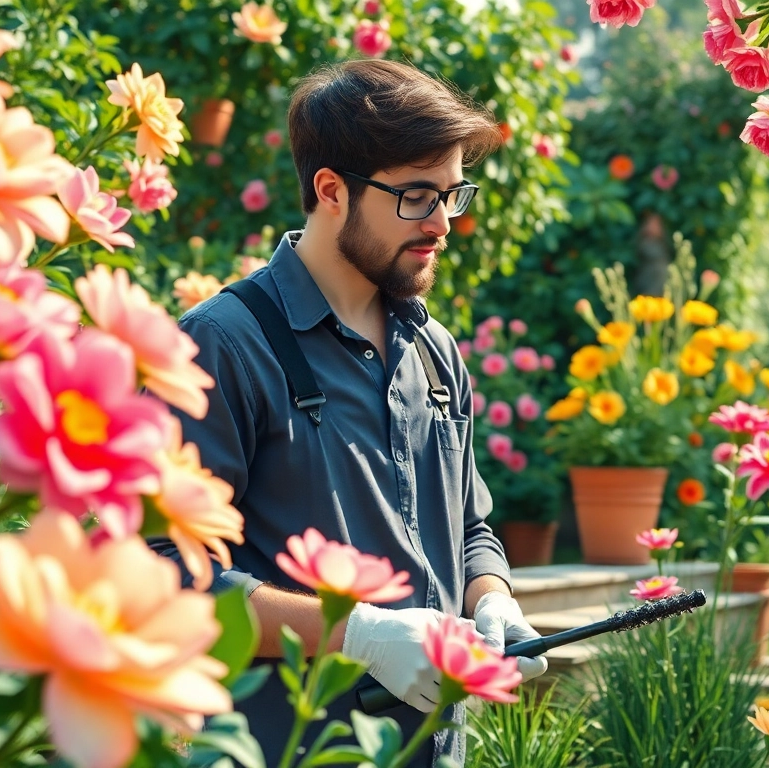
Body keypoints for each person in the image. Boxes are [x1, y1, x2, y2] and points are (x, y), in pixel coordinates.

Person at [149, 59, 548, 767]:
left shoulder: (436, 351)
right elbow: (162, 575)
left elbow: (471, 527)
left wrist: (493, 599)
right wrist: (357, 634)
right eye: (417, 196)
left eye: (452, 195)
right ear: (331, 190)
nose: (442, 224)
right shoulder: (221, 345)